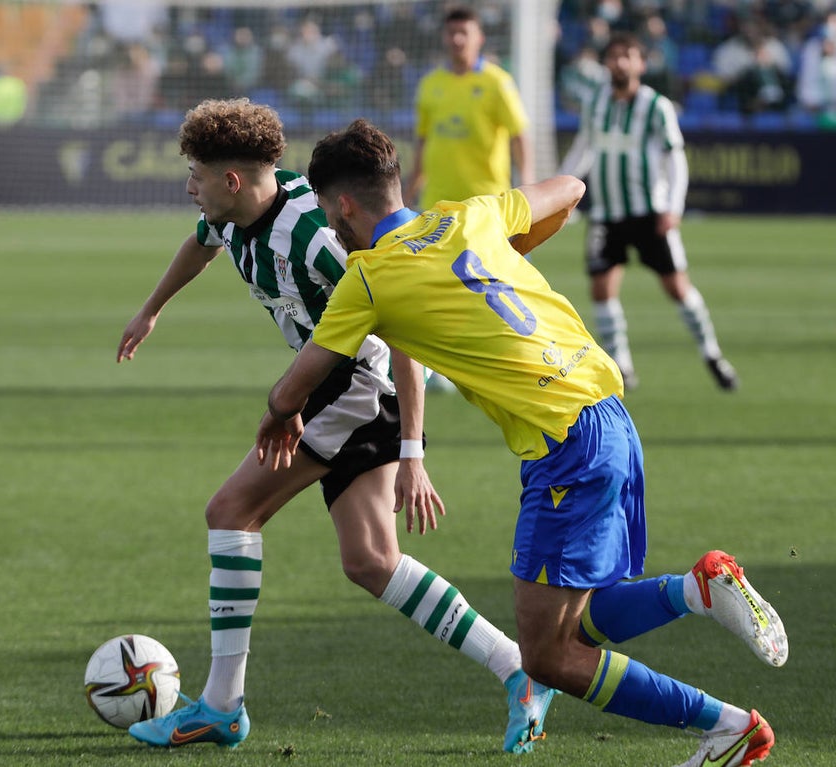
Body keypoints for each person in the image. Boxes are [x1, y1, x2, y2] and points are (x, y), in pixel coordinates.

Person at [255, 118, 788, 767]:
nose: (334, 229)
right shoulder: (471, 217)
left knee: (547, 656)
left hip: (564, 442)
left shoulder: (369, 277)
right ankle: (698, 591)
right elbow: (570, 185)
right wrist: (511, 251)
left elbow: (295, 387)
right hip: (611, 414)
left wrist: (280, 413)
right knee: (580, 621)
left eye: (332, 214)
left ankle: (730, 726)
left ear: (343, 204)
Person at [116, 99, 556, 753]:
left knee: (232, 510)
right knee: (371, 561)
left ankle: (220, 705)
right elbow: (200, 246)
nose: (190, 187)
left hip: (360, 388)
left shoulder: (313, 234)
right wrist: (151, 308)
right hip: (339, 389)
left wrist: (412, 448)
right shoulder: (230, 213)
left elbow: (399, 324)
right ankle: (518, 665)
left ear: (231, 181)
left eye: (197, 175)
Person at [558, 33, 739, 392]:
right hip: (607, 215)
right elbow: (584, 147)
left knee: (677, 287)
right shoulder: (596, 103)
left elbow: (675, 159)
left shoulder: (656, 106)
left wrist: (673, 206)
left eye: (627, 56)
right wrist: (563, 188)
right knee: (601, 288)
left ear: (641, 63)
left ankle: (712, 353)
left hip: (649, 213)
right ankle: (622, 365)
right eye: (613, 56)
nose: (619, 63)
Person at [405, 5, 533, 393]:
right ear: (445, 38)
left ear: (479, 38)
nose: (458, 39)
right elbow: (424, 141)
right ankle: (441, 366)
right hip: (438, 204)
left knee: (497, 282)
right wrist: (412, 184)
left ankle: (510, 359)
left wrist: (526, 181)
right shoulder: (431, 84)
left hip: (487, 203)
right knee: (434, 284)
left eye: (465, 33)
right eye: (452, 33)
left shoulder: (497, 82)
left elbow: (518, 134)